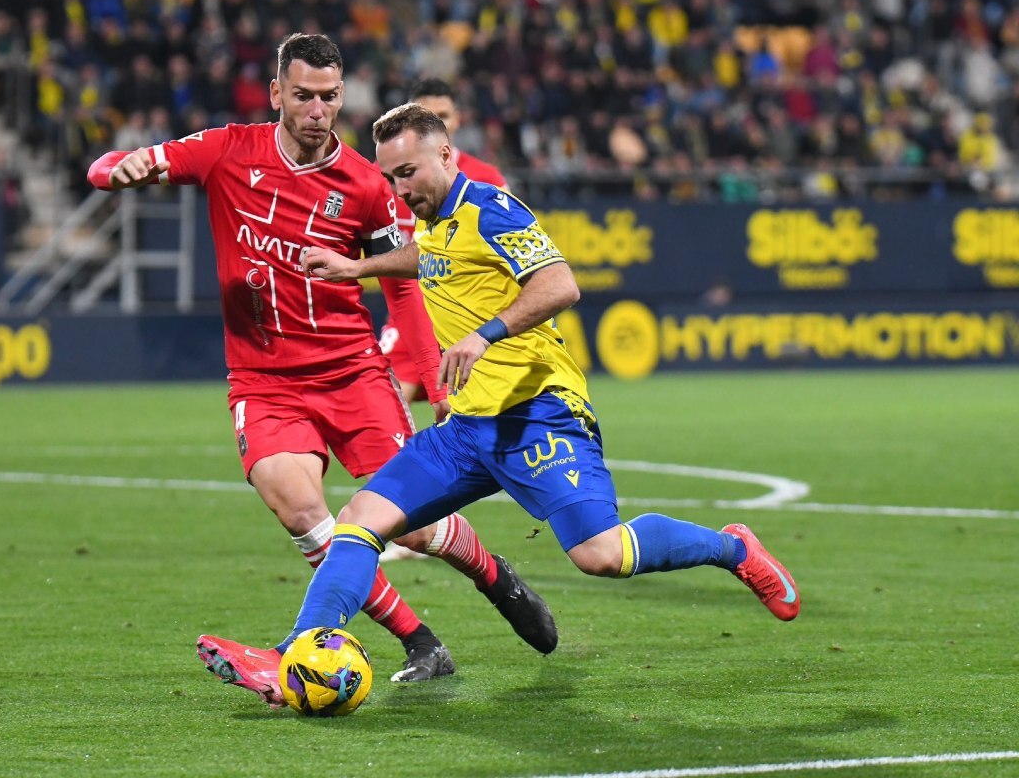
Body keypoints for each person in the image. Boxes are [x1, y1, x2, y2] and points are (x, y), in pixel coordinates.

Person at [198, 104, 801, 708]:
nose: (400, 190)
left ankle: (735, 549)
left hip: (537, 415)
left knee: (600, 554)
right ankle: (293, 653)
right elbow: (431, 257)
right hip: (464, 431)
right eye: (390, 178)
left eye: (408, 172)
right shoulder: (433, 221)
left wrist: (484, 334)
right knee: (359, 521)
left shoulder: (493, 208)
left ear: (445, 154)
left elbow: (561, 283)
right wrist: (359, 266)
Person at [85, 35, 556, 690]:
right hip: (264, 379)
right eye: (302, 95)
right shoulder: (226, 151)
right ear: (276, 93)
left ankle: (493, 576)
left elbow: (401, 286)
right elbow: (112, 161)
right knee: (300, 508)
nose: (317, 109)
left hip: (351, 374)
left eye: (329, 97)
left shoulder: (366, 184)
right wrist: (117, 172)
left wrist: (430, 373)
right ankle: (418, 640)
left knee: (412, 527)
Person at [379, 77, 509, 407]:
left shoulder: (487, 178)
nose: (436, 125)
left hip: (468, 318)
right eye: (426, 116)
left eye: (444, 116)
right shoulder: (384, 177)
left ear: (458, 120)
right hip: (411, 317)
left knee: (470, 418)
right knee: (385, 407)